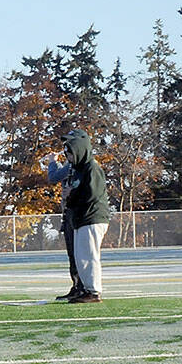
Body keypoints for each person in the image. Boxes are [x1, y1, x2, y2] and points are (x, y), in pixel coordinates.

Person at [61, 129, 110, 303]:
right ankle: (84, 289)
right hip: (81, 218)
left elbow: (92, 195)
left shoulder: (92, 168)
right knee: (81, 255)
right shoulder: (79, 169)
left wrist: (72, 194)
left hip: (92, 217)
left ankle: (93, 291)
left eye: (70, 150)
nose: (67, 154)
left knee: (89, 255)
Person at [42, 150, 80, 301]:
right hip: (70, 212)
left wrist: (52, 161)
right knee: (72, 253)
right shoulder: (71, 165)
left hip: (77, 213)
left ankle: (81, 287)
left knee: (78, 253)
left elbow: (53, 177)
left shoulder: (76, 165)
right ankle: (77, 285)